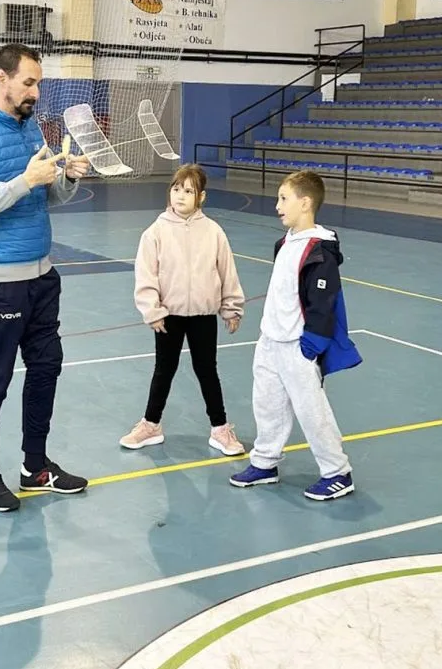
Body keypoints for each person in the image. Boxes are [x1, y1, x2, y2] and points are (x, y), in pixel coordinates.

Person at [0, 43, 90, 512]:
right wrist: (24, 180)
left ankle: (36, 467)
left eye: (38, 83)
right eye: (28, 83)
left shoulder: (31, 129)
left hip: (42, 278)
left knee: (46, 369)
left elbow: (46, 198)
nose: (35, 92)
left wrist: (68, 177)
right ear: (2, 79)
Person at [230, 169, 361, 500]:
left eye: (283, 198)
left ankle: (337, 471)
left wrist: (312, 344)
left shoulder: (319, 250)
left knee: (312, 411)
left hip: (298, 346)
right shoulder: (285, 242)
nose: (277, 206)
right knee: (267, 405)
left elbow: (323, 302)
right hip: (269, 342)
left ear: (305, 203)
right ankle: (265, 462)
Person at [120, 163, 245, 456]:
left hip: (203, 315)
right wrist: (152, 310)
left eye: (189, 191)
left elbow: (227, 271)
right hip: (168, 317)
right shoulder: (155, 232)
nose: (180, 195)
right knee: (164, 370)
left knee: (207, 370)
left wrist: (231, 307)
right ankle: (151, 424)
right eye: (176, 189)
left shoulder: (214, 232)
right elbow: (146, 275)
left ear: (201, 197)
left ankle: (220, 428)